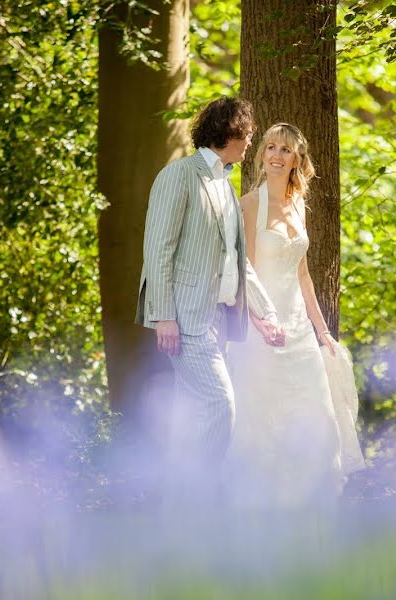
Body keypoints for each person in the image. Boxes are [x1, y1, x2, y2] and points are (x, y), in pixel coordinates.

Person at [135, 97, 285, 507]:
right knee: (221, 405)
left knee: (194, 418)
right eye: (249, 134)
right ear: (229, 132)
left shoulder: (226, 182)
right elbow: (158, 248)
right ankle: (199, 501)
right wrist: (163, 315)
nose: (252, 142)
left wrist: (265, 315)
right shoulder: (180, 174)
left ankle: (176, 511)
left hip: (220, 320)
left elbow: (239, 264)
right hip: (186, 321)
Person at [225, 123, 363, 507]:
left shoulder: (299, 204)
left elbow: (302, 274)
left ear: (296, 159)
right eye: (270, 147)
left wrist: (321, 332)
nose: (275, 154)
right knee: (263, 423)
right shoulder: (249, 204)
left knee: (317, 418)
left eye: (285, 149)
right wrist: (259, 322)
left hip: (300, 331)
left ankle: (314, 512)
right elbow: (243, 272)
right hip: (261, 330)